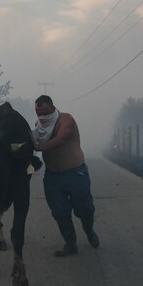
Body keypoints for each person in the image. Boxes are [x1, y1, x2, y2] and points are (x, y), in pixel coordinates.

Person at [31, 95, 99, 257]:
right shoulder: (39, 127)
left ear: (53, 107)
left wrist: (39, 147)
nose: (42, 117)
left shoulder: (65, 120)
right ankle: (70, 243)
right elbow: (32, 139)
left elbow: (61, 139)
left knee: (85, 209)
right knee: (60, 212)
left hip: (76, 173)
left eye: (45, 113)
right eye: (38, 114)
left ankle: (89, 231)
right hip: (53, 176)